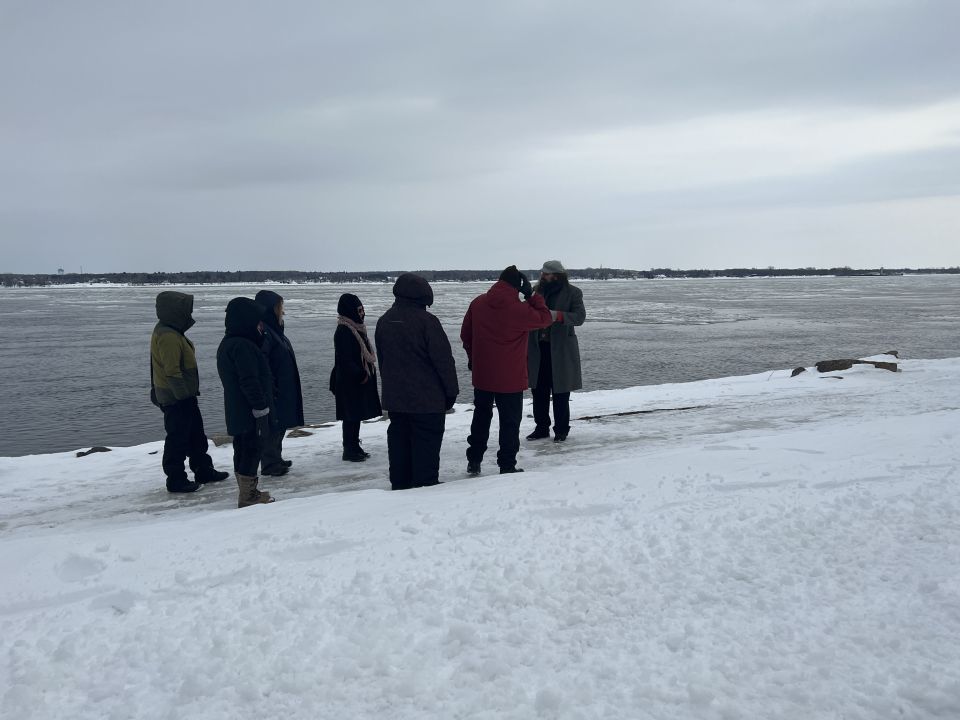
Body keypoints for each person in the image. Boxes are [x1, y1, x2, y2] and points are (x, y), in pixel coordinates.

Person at [461, 265, 553, 475]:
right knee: (510, 422)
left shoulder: (477, 303)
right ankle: (507, 464)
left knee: (481, 417)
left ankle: (474, 459)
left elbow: (466, 335)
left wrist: (473, 358)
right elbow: (545, 318)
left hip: (483, 374)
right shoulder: (520, 310)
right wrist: (532, 295)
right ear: (519, 286)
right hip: (510, 377)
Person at [375, 274, 459, 490]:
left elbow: (383, 361)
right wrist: (451, 393)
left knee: (399, 446)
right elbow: (443, 361)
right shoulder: (428, 322)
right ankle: (424, 490)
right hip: (427, 401)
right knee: (426, 452)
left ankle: (400, 488)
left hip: (397, 401)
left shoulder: (384, 320)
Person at [150, 291, 229, 493]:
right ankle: (176, 479)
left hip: (183, 395)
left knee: (196, 435)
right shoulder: (167, 335)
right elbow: (171, 371)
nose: (190, 313)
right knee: (177, 438)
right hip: (176, 398)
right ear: (176, 311)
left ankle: (203, 469)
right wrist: (183, 397)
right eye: (187, 309)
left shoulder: (172, 331)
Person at [216, 297, 276, 508]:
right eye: (257, 321)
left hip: (237, 410)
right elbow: (249, 380)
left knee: (242, 447)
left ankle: (246, 490)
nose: (260, 326)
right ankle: (248, 495)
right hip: (249, 410)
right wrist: (261, 408)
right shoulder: (242, 346)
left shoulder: (229, 343)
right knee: (251, 448)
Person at [526, 260, 586, 442]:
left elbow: (580, 317)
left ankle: (561, 430)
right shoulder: (536, 291)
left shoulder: (573, 293)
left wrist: (558, 316)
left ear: (558, 275)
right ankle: (541, 427)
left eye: (548, 274)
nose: (544, 277)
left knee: (561, 392)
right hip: (538, 349)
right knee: (539, 391)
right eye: (543, 274)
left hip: (561, 351)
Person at [254, 290, 304, 475]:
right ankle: (270, 463)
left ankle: (276, 457)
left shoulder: (275, 330)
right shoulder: (265, 332)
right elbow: (264, 362)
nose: (282, 311)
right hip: (275, 389)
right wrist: (271, 386)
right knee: (273, 426)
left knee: (280, 424)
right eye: (280, 307)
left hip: (282, 387)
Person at [332, 293, 383, 462]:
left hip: (355, 380)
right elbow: (345, 359)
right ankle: (350, 448)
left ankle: (354, 445)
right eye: (359, 310)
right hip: (349, 382)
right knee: (351, 416)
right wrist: (360, 374)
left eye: (362, 310)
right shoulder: (344, 331)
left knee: (355, 415)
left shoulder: (356, 328)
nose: (362, 313)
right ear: (350, 311)